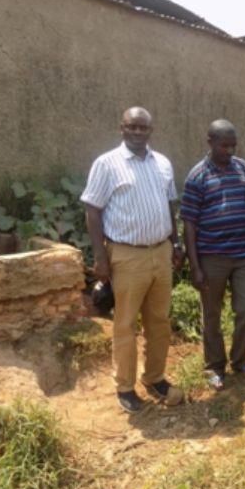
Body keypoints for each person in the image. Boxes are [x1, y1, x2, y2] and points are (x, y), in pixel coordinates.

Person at [81, 106, 185, 414]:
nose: (138, 133)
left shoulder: (162, 163)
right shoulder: (107, 164)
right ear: (121, 128)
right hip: (126, 254)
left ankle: (154, 377)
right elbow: (92, 211)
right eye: (132, 127)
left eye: (144, 128)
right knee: (125, 324)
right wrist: (100, 256)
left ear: (151, 131)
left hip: (161, 252)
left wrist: (176, 242)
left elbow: (170, 206)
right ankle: (125, 387)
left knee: (159, 320)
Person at [180, 119, 245, 391]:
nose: (229, 150)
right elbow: (188, 222)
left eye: (233, 145)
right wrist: (195, 265)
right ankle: (214, 365)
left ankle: (240, 359)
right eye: (223, 145)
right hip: (211, 256)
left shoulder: (243, 170)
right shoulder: (197, 175)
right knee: (211, 314)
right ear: (210, 143)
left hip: (244, 254)